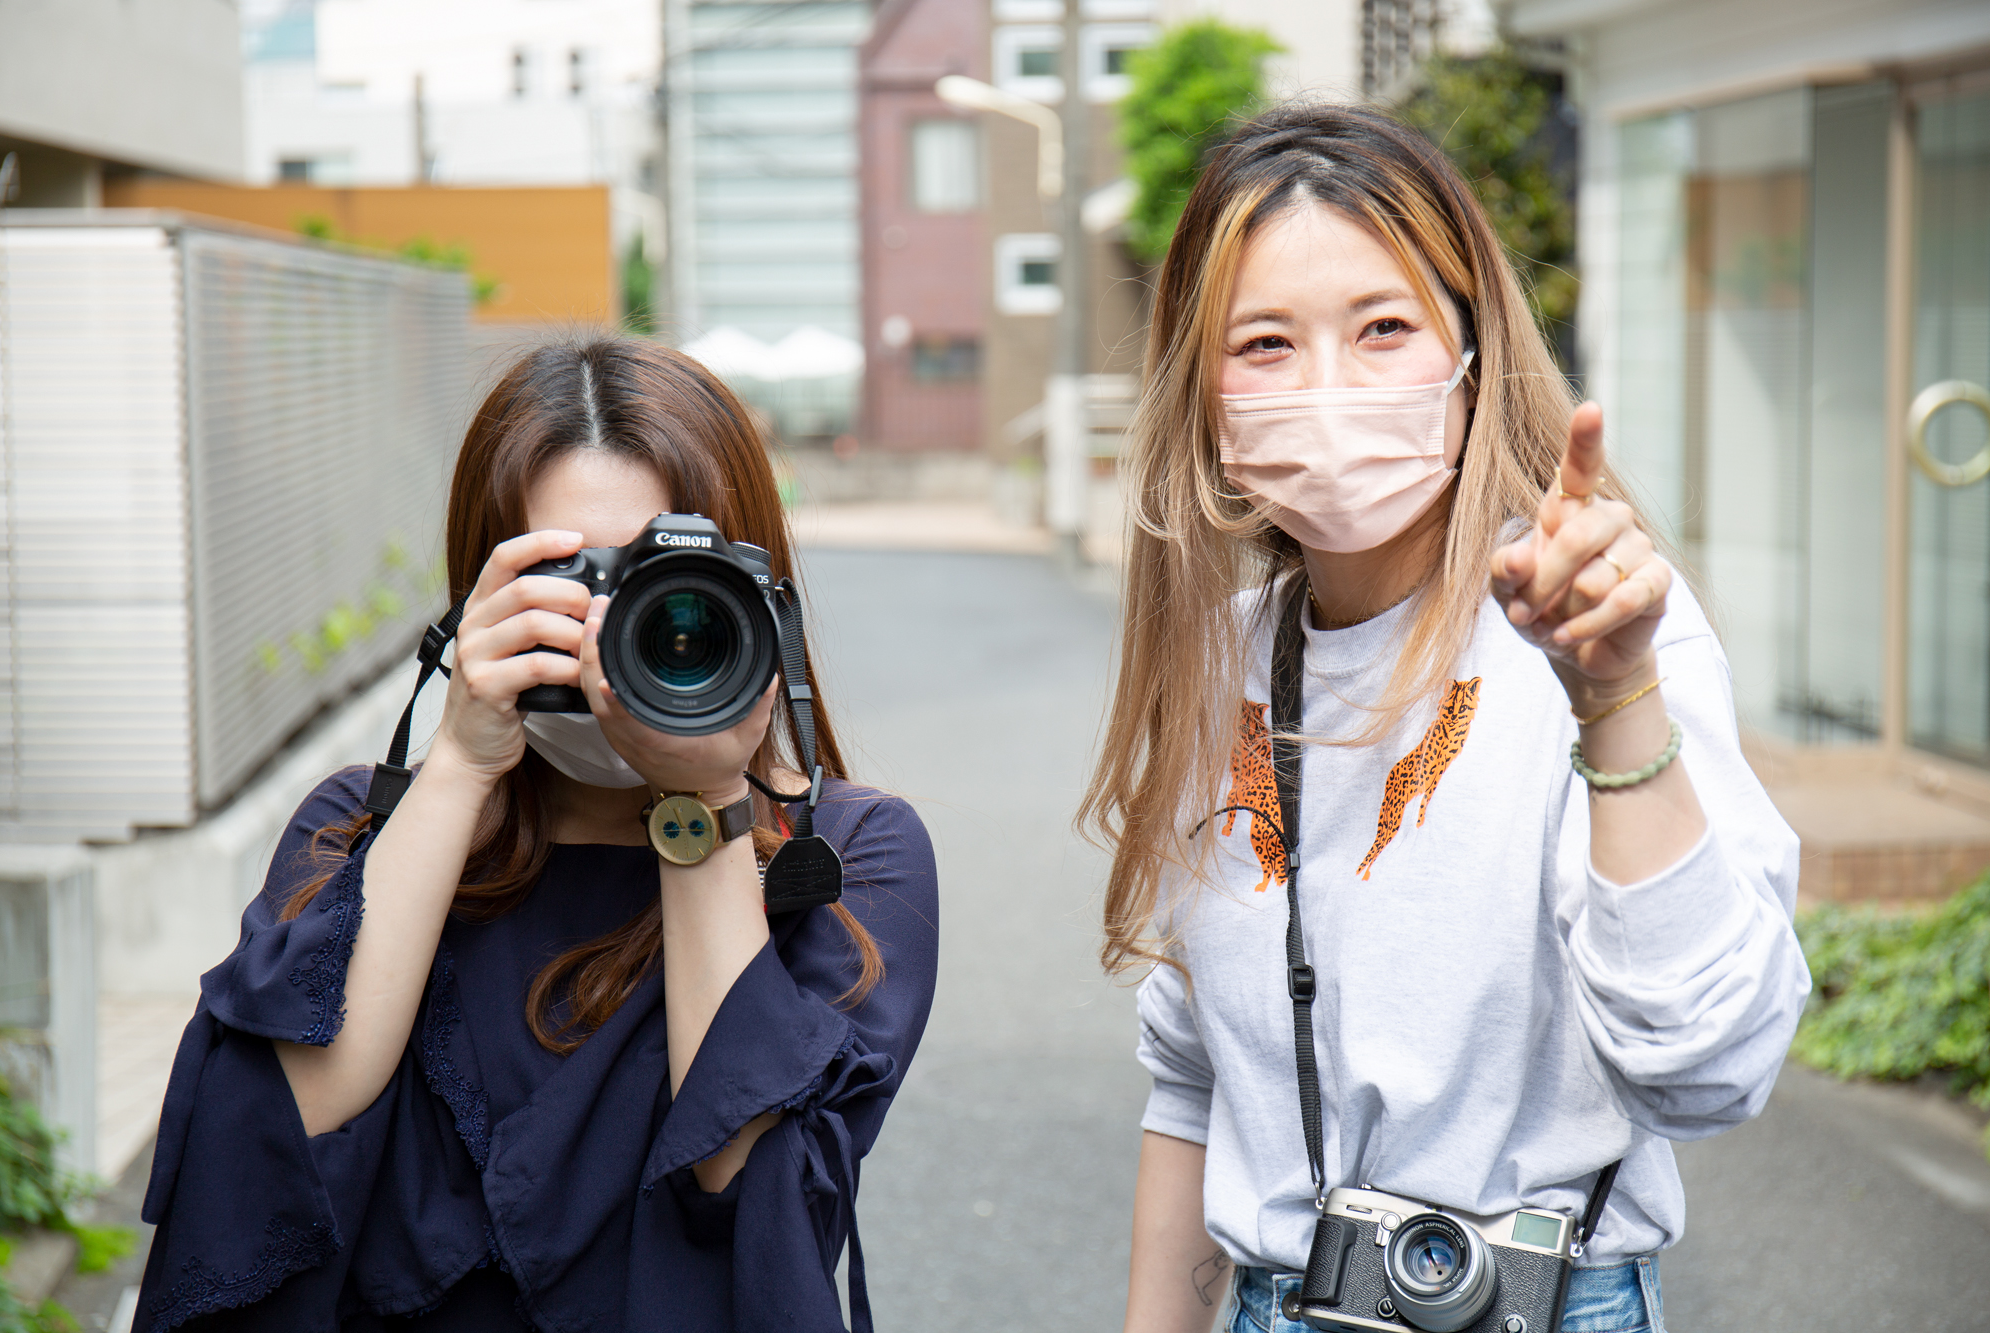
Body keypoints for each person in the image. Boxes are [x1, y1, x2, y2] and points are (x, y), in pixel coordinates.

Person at [1084, 104, 1808, 1333]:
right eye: (1263, 344)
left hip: (1546, 1302)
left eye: (1382, 329)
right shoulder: (1223, 658)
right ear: (1199, 395)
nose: (1326, 391)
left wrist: (1613, 695)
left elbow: (1706, 1070)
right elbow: (1195, 1080)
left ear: (1469, 358)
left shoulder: (1598, 625)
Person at [134, 338, 938, 1333]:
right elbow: (287, 1147)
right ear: (478, 593)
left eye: (668, 578)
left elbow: (749, 1186)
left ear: (758, 598)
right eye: (574, 577)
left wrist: (701, 801)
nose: (624, 629)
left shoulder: (846, 855)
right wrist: (462, 764)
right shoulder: (358, 828)